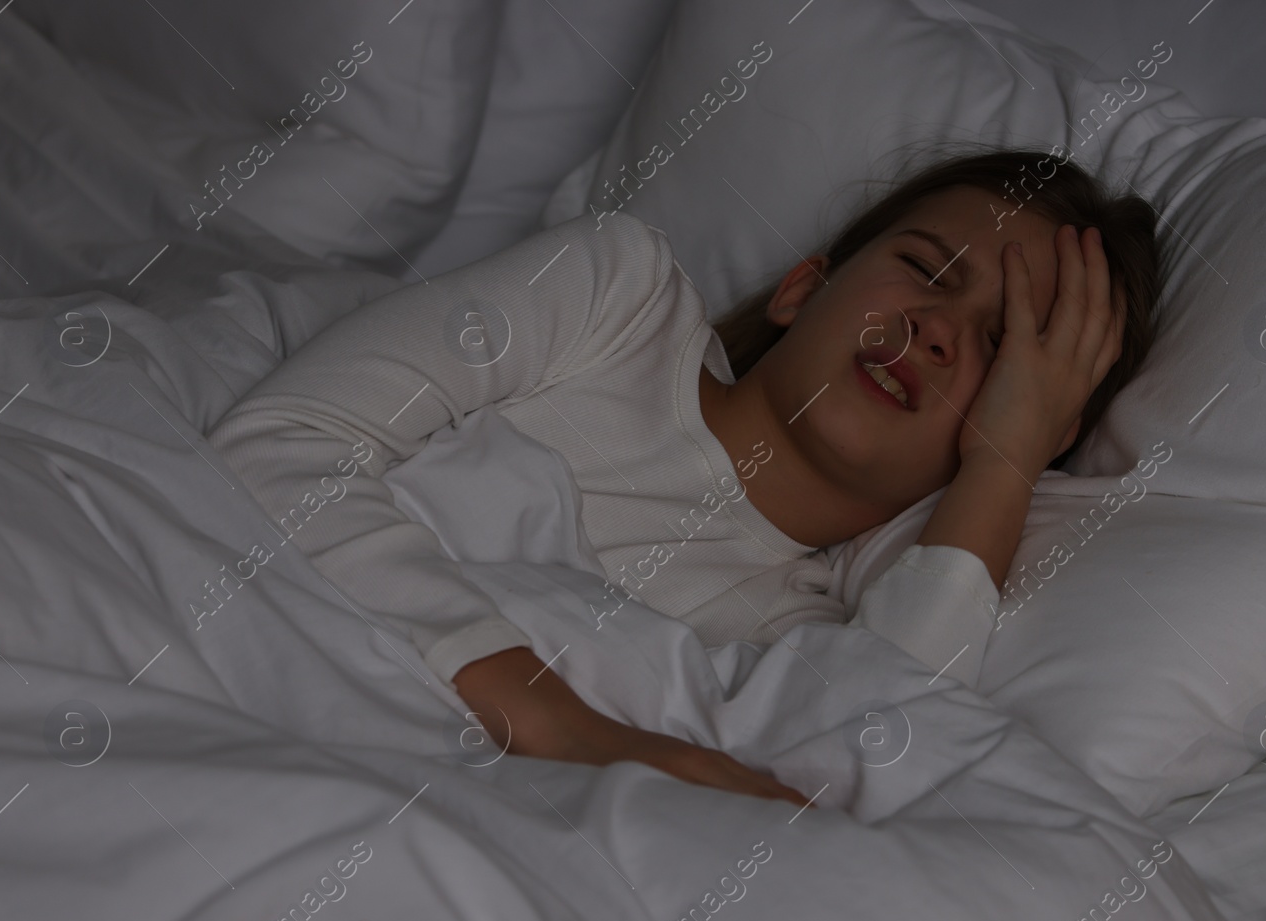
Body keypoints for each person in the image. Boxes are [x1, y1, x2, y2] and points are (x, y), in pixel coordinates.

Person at [207, 146, 1162, 806]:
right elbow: (286, 440)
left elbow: (882, 748)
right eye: (926, 269)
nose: (941, 331)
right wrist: (562, 724)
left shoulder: (797, 637)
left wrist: (1002, 469)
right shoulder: (616, 301)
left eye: (1005, 352)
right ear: (803, 287)